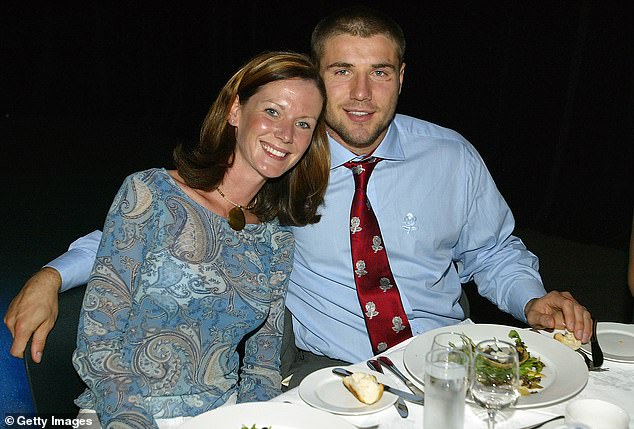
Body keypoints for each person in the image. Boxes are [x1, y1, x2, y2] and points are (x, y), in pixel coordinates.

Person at [5, 6, 592, 388]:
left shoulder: (452, 157)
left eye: (380, 72)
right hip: (331, 374)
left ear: (403, 76)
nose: (361, 94)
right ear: (315, 75)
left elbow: (493, 252)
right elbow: (166, 217)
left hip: (446, 360)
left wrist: (534, 300)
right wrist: (52, 274)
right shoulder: (284, 165)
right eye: (341, 71)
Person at [65, 50, 329, 428]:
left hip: (223, 414)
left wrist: (254, 421)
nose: (286, 135)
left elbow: (262, 367)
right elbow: (98, 343)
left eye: (303, 124)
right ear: (235, 112)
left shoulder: (276, 239)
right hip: (121, 409)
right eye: (272, 112)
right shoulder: (150, 193)